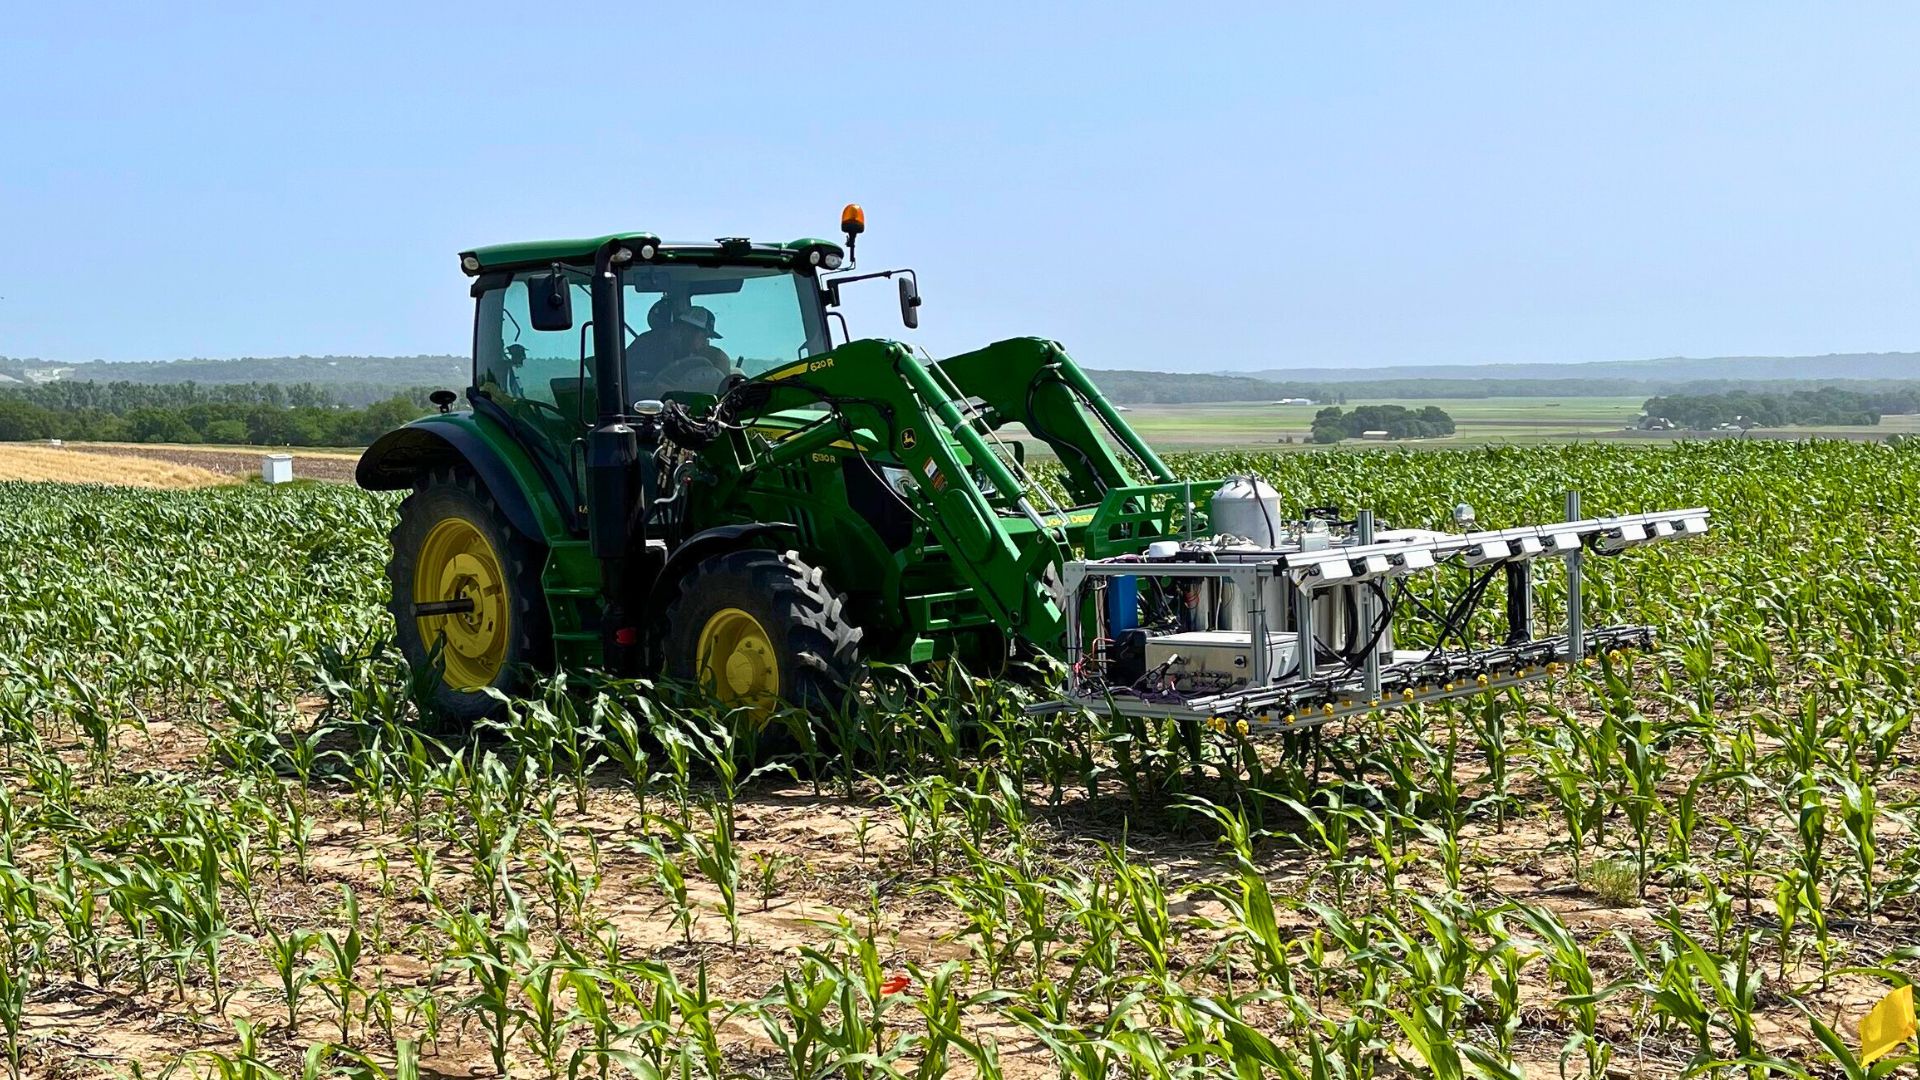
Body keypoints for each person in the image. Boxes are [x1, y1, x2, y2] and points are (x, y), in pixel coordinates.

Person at [627, 301, 733, 396]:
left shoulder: (712, 358)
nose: (705, 343)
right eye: (702, 337)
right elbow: (629, 384)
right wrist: (654, 388)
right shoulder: (647, 347)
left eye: (708, 338)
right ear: (683, 331)